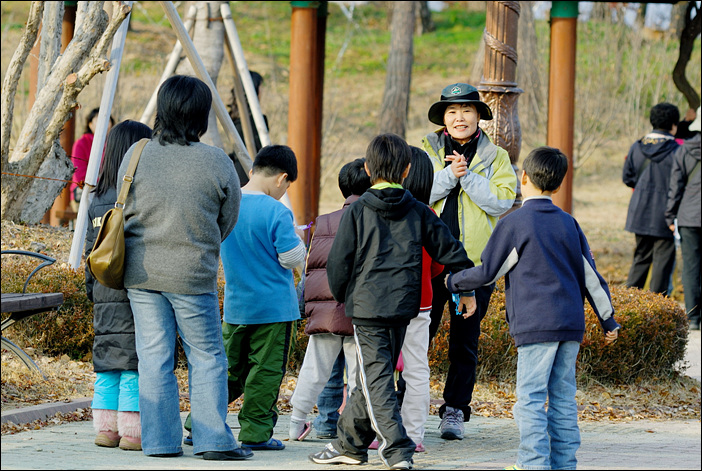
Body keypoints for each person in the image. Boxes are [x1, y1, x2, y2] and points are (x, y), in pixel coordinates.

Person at [445, 146, 621, 470]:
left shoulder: (515, 223)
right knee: (563, 399)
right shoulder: (569, 224)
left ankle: (533, 464)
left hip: (535, 325)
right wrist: (608, 320)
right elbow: (591, 277)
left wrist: (453, 281)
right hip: (570, 326)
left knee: (529, 399)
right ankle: (564, 465)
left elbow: (488, 272)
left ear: (523, 177)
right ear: (559, 184)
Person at [309, 133, 476, 470]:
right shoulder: (420, 211)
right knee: (371, 376)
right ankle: (349, 445)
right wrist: (468, 289)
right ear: (407, 170)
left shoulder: (357, 211)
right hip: (403, 308)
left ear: (369, 169)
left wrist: (344, 296)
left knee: (376, 378)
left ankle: (397, 450)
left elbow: (338, 263)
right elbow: (452, 250)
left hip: (367, 309)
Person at [118, 75, 249, 461]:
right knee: (206, 357)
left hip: (141, 273)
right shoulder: (216, 160)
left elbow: (122, 207)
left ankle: (160, 443)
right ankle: (212, 441)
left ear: (164, 109)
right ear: (201, 114)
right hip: (192, 274)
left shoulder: (137, 152)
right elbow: (228, 219)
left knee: (154, 358)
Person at [421, 82, 517, 440]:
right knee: (417, 336)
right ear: (443, 118)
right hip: (428, 261)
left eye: (466, 110)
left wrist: (469, 176)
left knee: (465, 342)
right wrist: (450, 175)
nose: (459, 117)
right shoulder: (426, 150)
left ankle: (455, 410)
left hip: (475, 265)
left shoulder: (497, 156)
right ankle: (401, 404)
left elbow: (502, 201)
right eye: (452, 111)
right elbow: (418, 192)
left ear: (479, 116)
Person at [220, 144, 305, 451]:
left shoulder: (228, 205)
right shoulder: (277, 211)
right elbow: (291, 257)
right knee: (265, 373)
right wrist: (299, 240)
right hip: (274, 310)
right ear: (282, 178)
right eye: (287, 186)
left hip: (236, 307)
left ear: (252, 170)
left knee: (229, 371)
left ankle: (199, 424)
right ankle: (256, 433)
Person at [289, 158, 371, 442]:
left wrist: (307, 304)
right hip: (360, 311)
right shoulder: (374, 219)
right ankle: (357, 429)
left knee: (314, 369)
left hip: (325, 307)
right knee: (359, 374)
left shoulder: (323, 222)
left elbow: (312, 267)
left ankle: (296, 423)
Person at [85, 120, 152, 452]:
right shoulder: (140, 195)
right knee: (132, 364)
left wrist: (92, 291)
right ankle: (131, 432)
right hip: (135, 289)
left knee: (107, 363)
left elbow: (90, 252)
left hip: (103, 290)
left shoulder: (97, 200)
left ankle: (105, 430)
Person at [623, 102, 681, 295]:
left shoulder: (637, 147)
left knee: (640, 259)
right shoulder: (677, 151)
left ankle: (630, 303)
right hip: (666, 214)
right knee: (662, 266)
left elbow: (627, 178)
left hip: (640, 211)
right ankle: (657, 308)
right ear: (673, 125)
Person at [666, 107, 701, 330]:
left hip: (689, 216)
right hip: (690, 215)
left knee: (690, 267)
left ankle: (694, 317)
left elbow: (676, 186)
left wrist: (670, 215)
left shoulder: (684, 150)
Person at [227, 70, 268, 185]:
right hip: (251, 177)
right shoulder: (258, 122)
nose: (262, 92)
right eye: (260, 87)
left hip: (236, 175)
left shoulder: (232, 117)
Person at [71, 108, 114, 213]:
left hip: (108, 193)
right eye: (99, 120)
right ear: (90, 124)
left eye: (107, 120)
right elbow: (80, 174)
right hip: (85, 193)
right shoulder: (81, 143)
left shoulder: (113, 143)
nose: (104, 124)